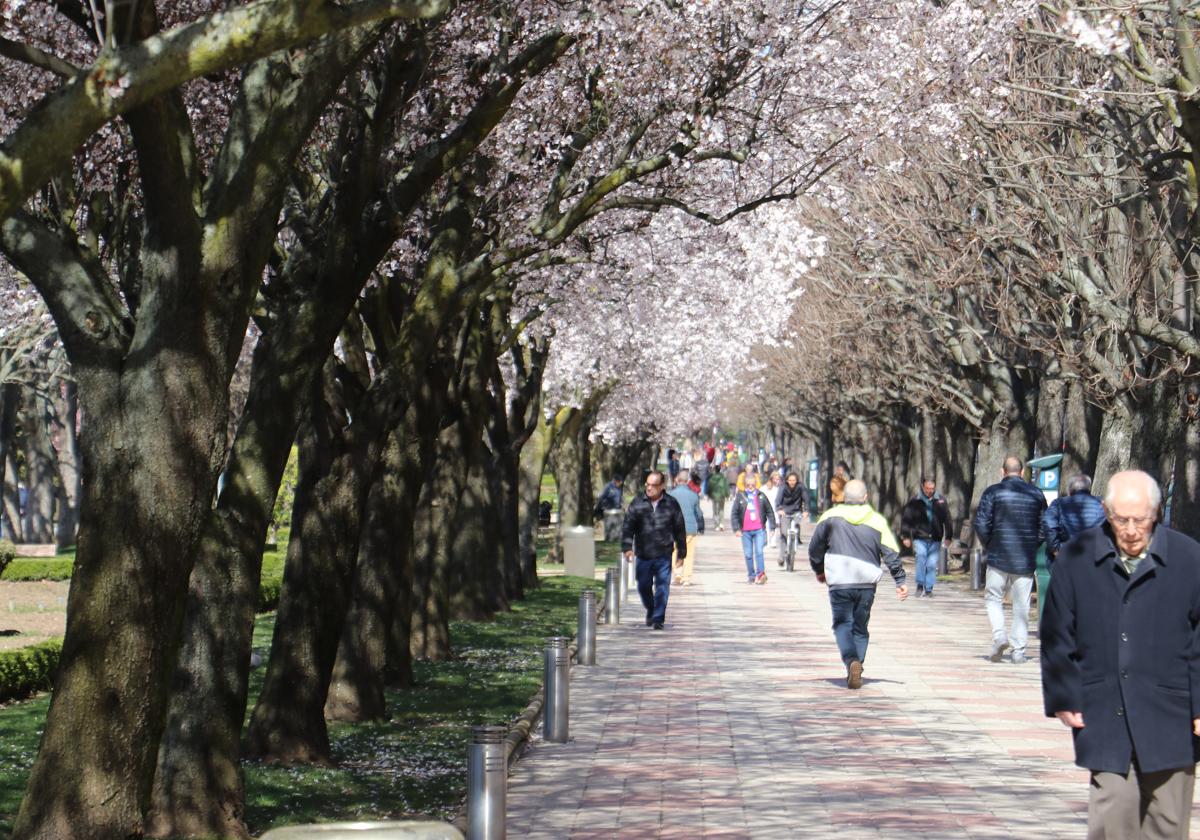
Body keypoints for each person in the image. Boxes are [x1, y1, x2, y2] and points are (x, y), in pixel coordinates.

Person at [1041, 470, 1200, 839]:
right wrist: (1064, 695)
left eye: (1140, 519)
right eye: (1120, 519)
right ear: (1105, 512)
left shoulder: (1189, 558)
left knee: (1167, 823)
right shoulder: (1077, 557)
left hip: (1172, 713)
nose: (1130, 529)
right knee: (1112, 819)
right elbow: (1056, 633)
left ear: (1157, 513)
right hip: (1104, 710)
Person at [808, 479, 908, 689]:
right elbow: (890, 552)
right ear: (865, 497)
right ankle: (858, 664)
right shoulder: (877, 520)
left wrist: (819, 570)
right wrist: (900, 580)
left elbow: (815, 548)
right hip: (866, 582)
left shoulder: (830, 517)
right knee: (860, 627)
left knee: (842, 624)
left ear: (843, 497)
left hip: (840, 581)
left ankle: (851, 661)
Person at [974, 456, 1047, 664]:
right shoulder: (1036, 494)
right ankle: (1018, 650)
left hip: (998, 555)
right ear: (1022, 472)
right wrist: (1033, 544)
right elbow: (1044, 526)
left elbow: (981, 523)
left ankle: (999, 635)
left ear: (1002, 471)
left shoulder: (992, 492)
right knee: (1022, 604)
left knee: (993, 597)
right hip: (1024, 557)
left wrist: (990, 543)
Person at [621, 471, 687, 630]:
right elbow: (628, 526)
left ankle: (658, 617)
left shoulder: (671, 504)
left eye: (653, 485)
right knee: (643, 586)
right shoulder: (638, 503)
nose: (649, 488)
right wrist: (627, 547)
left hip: (664, 553)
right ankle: (651, 608)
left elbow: (679, 529)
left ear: (662, 486)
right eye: (647, 484)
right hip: (643, 553)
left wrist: (681, 553)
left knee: (662, 586)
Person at [899, 478, 953, 597]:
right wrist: (905, 536)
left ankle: (929, 589)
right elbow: (907, 519)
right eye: (928, 489)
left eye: (932, 489)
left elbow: (948, 519)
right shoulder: (915, 501)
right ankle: (919, 585)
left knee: (932, 564)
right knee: (921, 558)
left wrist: (949, 536)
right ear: (923, 487)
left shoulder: (941, 501)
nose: (930, 491)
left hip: (936, 537)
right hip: (920, 536)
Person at [1042, 473, 1106, 564]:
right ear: (1089, 488)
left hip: (1066, 555)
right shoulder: (1102, 504)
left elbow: (1048, 523)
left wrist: (1055, 549)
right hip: (1094, 557)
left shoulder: (1058, 504)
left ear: (1069, 489)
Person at [731, 470, 776, 584]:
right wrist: (736, 529)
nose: (750, 487)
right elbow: (734, 514)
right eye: (748, 485)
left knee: (759, 552)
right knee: (748, 554)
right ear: (745, 485)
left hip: (759, 529)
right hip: (745, 531)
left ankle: (760, 574)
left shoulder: (761, 496)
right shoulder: (740, 496)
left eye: (753, 485)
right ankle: (751, 575)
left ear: (756, 484)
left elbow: (770, 512)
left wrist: (772, 527)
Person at [667, 472, 704, 586]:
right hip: (689, 529)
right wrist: (701, 526)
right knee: (689, 553)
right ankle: (686, 577)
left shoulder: (670, 495)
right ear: (688, 481)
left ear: (677, 480)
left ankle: (676, 572)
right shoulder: (693, 495)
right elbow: (698, 513)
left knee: (673, 551)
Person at [776, 471, 809, 568]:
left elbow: (806, 499)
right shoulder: (783, 487)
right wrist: (779, 509)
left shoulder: (801, 487)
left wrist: (806, 510)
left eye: (794, 480)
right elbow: (778, 500)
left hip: (796, 511)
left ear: (797, 480)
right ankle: (781, 557)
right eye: (790, 480)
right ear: (787, 480)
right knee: (784, 534)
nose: (792, 482)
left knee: (796, 526)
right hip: (785, 512)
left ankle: (796, 541)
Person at [765, 471, 784, 548]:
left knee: (775, 525)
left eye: (778, 479)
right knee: (767, 525)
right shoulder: (767, 487)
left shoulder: (781, 487)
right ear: (772, 479)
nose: (777, 481)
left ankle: (773, 541)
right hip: (768, 507)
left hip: (776, 508)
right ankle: (768, 541)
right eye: (775, 479)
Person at [707, 467, 730, 531]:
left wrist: (709, 495)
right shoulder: (723, 478)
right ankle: (721, 524)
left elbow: (710, 487)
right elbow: (726, 486)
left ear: (714, 470)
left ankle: (716, 525)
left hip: (714, 496)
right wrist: (727, 495)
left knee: (715, 511)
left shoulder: (711, 478)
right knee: (721, 510)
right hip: (722, 496)